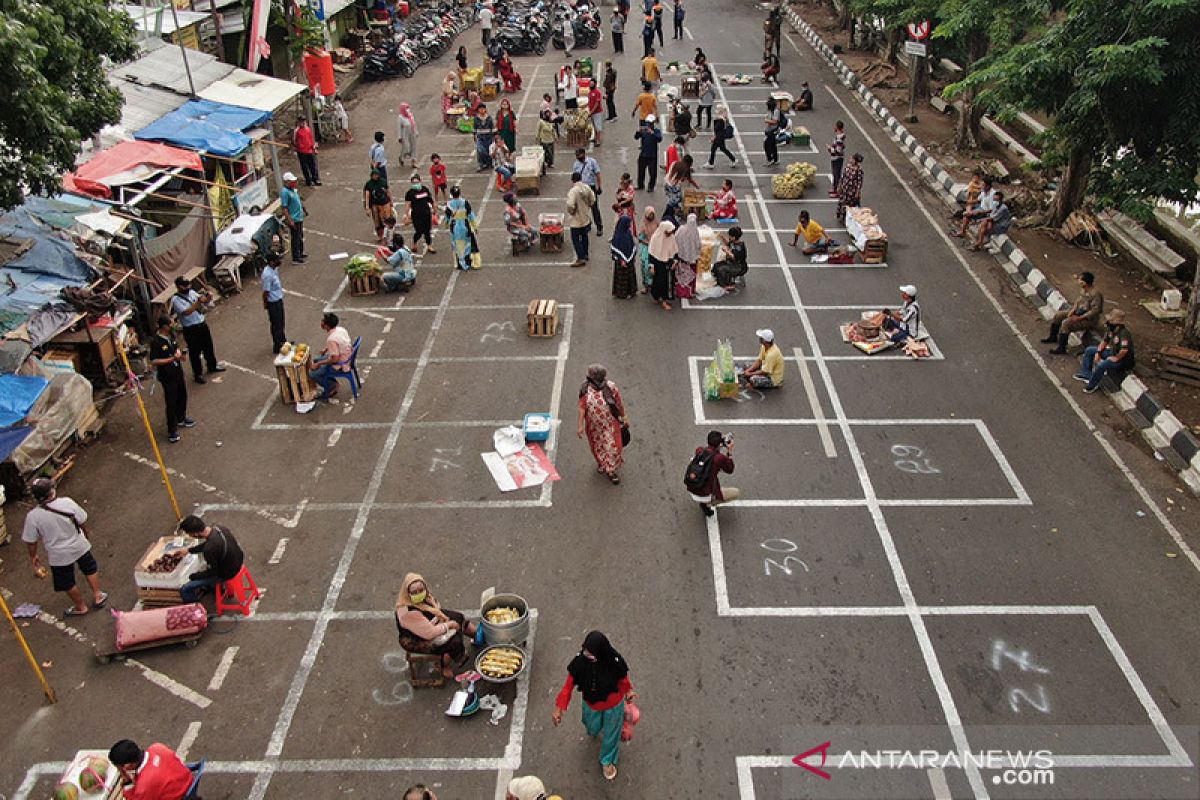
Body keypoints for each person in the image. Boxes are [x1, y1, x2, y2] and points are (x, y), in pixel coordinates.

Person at [552, 631, 637, 781]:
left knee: (611, 735)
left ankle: (607, 760)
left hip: (613, 706)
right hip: (591, 706)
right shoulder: (580, 663)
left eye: (591, 653)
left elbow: (623, 679)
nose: (586, 655)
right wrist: (559, 708)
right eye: (586, 651)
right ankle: (601, 732)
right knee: (592, 727)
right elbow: (568, 687)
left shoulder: (614, 661)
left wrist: (628, 691)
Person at [22, 477, 106, 617]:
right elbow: (82, 520)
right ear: (51, 492)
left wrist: (33, 556)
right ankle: (98, 595)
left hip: (58, 555)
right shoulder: (67, 502)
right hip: (79, 544)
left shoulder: (33, 517)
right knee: (89, 568)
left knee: (67, 582)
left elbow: (31, 541)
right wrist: (85, 535)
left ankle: (81, 607)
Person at [395, 572, 477, 679]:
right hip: (416, 638)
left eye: (421, 590)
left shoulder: (426, 598)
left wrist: (442, 618)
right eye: (414, 592)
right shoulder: (407, 613)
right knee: (453, 642)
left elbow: (436, 608)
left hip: (430, 620)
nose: (419, 594)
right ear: (407, 593)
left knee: (459, 617)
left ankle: (476, 636)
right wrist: (449, 625)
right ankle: (443, 666)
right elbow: (429, 633)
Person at [177, 514, 243, 603]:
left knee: (185, 588)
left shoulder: (209, 550)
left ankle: (196, 609)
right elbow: (209, 545)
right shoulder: (219, 528)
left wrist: (194, 576)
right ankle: (214, 588)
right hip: (238, 559)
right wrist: (189, 550)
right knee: (205, 568)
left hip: (228, 572)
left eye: (189, 534)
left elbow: (213, 572)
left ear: (195, 533)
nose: (190, 535)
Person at [577, 364, 626, 482]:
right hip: (594, 427)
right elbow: (582, 408)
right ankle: (602, 463)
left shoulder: (611, 387)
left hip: (610, 424)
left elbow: (619, 403)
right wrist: (580, 426)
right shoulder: (585, 389)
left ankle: (611, 470)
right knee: (597, 446)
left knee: (614, 447)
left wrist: (624, 417)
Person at [169, 277, 223, 384]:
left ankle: (212, 365)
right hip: (190, 328)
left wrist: (208, 298)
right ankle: (198, 374)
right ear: (179, 287)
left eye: (188, 284)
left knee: (208, 346)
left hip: (201, 324)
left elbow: (203, 302)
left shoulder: (192, 293)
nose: (188, 287)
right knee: (195, 353)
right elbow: (186, 312)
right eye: (185, 285)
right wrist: (199, 302)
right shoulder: (176, 300)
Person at [149, 315, 192, 443]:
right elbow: (154, 361)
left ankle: (181, 418)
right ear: (164, 327)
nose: (173, 326)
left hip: (177, 371)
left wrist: (179, 353)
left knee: (182, 396)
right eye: (170, 324)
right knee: (171, 402)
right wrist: (172, 359)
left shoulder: (171, 336)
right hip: (167, 376)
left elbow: (176, 347)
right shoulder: (156, 342)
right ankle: (172, 430)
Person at [1043, 271, 1104, 355]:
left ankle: (1062, 348)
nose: (1078, 281)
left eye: (1080, 280)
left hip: (1088, 319)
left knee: (1066, 323)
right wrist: (1073, 310)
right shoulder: (1083, 290)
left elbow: (1095, 311)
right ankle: (1053, 337)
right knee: (1058, 315)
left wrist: (1079, 318)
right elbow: (1078, 300)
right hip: (1079, 312)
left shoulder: (1095, 294)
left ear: (1084, 283)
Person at [108, 740, 192, 800]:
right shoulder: (157, 747)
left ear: (128, 766)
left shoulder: (145, 785)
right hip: (187, 785)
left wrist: (127, 783)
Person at [1076, 309, 1135, 394]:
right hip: (1113, 352)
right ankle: (1086, 374)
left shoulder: (1124, 334)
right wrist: (1098, 353)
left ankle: (1092, 385)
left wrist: (1116, 358)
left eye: (1111, 321)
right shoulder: (1111, 330)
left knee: (1101, 366)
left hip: (1122, 359)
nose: (1109, 322)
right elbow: (1104, 341)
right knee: (1089, 350)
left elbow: (1124, 350)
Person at [688, 430, 738, 516]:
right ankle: (708, 503)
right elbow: (730, 469)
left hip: (692, 488)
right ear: (720, 444)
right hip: (705, 495)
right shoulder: (719, 458)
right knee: (736, 492)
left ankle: (705, 503)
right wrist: (729, 452)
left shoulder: (699, 450)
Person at [309, 312, 353, 400]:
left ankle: (331, 387)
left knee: (313, 374)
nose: (321, 323)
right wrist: (326, 349)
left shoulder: (331, 339)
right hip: (346, 355)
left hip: (341, 362)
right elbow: (339, 343)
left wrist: (319, 364)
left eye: (323, 321)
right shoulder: (340, 329)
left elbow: (335, 359)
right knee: (316, 360)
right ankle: (332, 382)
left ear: (327, 326)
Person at [566, 173, 597, 267]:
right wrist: (588, 206)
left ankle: (581, 257)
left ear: (572, 180)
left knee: (575, 239)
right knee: (584, 237)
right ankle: (585, 253)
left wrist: (572, 211)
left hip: (576, 219)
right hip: (586, 217)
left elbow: (570, 204)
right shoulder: (586, 187)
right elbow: (593, 199)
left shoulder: (573, 191)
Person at [445, 185, 479, 270]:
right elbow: (471, 215)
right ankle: (469, 262)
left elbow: (447, 218)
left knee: (457, 245)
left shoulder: (449, 205)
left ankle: (459, 263)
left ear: (451, 194)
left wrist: (446, 225)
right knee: (468, 244)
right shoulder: (465, 202)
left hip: (454, 227)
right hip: (465, 226)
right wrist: (475, 227)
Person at [572, 148, 604, 235]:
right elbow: (574, 178)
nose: (578, 157)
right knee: (583, 208)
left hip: (591, 187)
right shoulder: (576, 165)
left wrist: (599, 186)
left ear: (584, 154)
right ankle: (587, 224)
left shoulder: (592, 162)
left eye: (579, 155)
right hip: (581, 188)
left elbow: (597, 174)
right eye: (577, 156)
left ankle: (599, 227)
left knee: (594, 208)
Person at [405, 172, 438, 256]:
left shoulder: (425, 190)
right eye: (413, 183)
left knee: (427, 231)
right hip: (416, 215)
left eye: (417, 182)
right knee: (419, 231)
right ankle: (414, 243)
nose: (415, 184)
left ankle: (429, 245)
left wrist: (435, 211)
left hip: (426, 213)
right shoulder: (410, 193)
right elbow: (408, 205)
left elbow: (431, 201)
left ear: (420, 181)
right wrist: (407, 216)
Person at [647, 218, 677, 309]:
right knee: (657, 281)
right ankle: (657, 297)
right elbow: (651, 253)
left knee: (665, 282)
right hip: (657, 263)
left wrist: (675, 261)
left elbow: (674, 250)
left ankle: (664, 299)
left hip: (667, 263)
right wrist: (651, 266)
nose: (670, 233)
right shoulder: (656, 238)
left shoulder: (671, 237)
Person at [261, 252, 287, 353]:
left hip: (278, 299)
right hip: (273, 302)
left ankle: (283, 341)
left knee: (281, 322)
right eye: (276, 260)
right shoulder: (267, 275)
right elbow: (265, 292)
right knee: (276, 324)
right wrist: (265, 304)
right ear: (271, 262)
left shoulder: (274, 269)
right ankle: (277, 345)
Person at [280, 172, 306, 263]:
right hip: (294, 218)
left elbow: (298, 201)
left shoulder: (293, 190)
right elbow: (284, 208)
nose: (294, 182)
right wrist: (289, 219)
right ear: (286, 182)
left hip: (299, 217)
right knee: (295, 237)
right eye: (292, 181)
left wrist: (303, 210)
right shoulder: (285, 192)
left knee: (300, 236)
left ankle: (300, 252)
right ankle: (296, 257)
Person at [664, 155, 698, 224]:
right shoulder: (684, 168)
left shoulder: (675, 163)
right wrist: (697, 186)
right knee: (675, 201)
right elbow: (689, 179)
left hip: (667, 184)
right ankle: (668, 216)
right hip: (673, 186)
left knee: (674, 200)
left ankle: (675, 211)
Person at [611, 215, 638, 299]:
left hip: (629, 261)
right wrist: (621, 259)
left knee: (629, 276)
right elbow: (615, 249)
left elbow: (631, 245)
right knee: (622, 277)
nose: (630, 225)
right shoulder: (618, 236)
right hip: (621, 262)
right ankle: (622, 293)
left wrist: (632, 256)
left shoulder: (628, 233)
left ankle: (631, 291)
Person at [363, 168, 393, 243]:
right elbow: (367, 196)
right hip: (375, 204)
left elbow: (388, 191)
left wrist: (391, 201)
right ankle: (380, 236)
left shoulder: (383, 182)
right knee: (377, 221)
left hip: (385, 203)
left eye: (377, 175)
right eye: (374, 175)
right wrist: (367, 207)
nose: (376, 176)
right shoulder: (369, 184)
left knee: (387, 219)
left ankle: (387, 236)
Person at [712, 226, 748, 290]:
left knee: (721, 269)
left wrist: (727, 251)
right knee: (716, 266)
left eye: (730, 236)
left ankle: (729, 284)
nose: (729, 237)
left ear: (734, 237)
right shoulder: (733, 242)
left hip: (739, 266)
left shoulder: (739, 247)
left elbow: (735, 257)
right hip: (731, 262)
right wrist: (722, 237)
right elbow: (728, 244)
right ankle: (720, 280)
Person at [635, 115, 663, 191]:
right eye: (647, 123)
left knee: (653, 172)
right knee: (641, 171)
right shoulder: (644, 131)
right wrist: (638, 132)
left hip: (652, 155)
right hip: (643, 154)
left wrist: (652, 133)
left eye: (650, 123)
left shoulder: (657, 131)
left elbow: (659, 139)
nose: (648, 125)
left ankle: (651, 186)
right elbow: (636, 137)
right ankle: (640, 185)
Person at [836, 152, 864, 223]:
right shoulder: (848, 166)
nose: (850, 159)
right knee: (842, 202)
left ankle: (847, 219)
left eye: (852, 159)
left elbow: (859, 182)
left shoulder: (859, 170)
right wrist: (840, 185)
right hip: (844, 188)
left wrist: (857, 192)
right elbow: (843, 176)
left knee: (849, 205)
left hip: (852, 191)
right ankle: (840, 216)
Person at [293, 118, 320, 186]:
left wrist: (314, 148)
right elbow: (294, 141)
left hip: (309, 150)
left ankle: (315, 179)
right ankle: (308, 181)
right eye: (301, 121)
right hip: (302, 151)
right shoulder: (296, 131)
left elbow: (311, 138)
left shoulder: (308, 129)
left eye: (304, 121)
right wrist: (298, 147)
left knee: (313, 166)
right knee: (305, 167)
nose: (303, 123)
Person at [638, 206, 657, 292]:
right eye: (649, 215)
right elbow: (640, 238)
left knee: (654, 266)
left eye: (652, 215)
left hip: (655, 248)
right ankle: (646, 285)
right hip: (646, 248)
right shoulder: (643, 224)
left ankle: (653, 284)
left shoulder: (656, 223)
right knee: (645, 267)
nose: (651, 217)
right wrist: (647, 242)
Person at [473, 104, 495, 171]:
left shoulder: (489, 118)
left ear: (485, 109)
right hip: (480, 137)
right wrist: (474, 135)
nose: (482, 110)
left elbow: (492, 127)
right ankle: (481, 164)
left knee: (489, 150)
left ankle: (489, 163)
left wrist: (494, 136)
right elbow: (474, 128)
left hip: (488, 137)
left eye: (483, 109)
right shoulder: (476, 118)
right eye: (480, 109)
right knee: (480, 151)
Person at [396, 103, 418, 169]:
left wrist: (416, 132)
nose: (407, 109)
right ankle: (401, 157)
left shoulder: (410, 115)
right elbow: (399, 128)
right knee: (406, 148)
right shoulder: (400, 117)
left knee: (413, 147)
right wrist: (399, 137)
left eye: (408, 108)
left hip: (412, 132)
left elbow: (414, 123)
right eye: (406, 108)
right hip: (405, 134)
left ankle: (413, 162)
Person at [763, 97, 783, 166]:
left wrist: (767, 120)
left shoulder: (776, 111)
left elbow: (775, 121)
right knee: (772, 145)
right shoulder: (769, 111)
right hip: (769, 129)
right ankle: (775, 159)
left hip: (773, 130)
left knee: (767, 145)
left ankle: (770, 159)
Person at [828, 121, 846, 196]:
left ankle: (837, 191)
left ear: (837, 127)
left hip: (837, 158)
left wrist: (830, 149)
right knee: (835, 174)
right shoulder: (839, 137)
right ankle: (834, 188)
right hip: (836, 158)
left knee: (836, 174)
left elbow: (838, 151)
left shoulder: (839, 139)